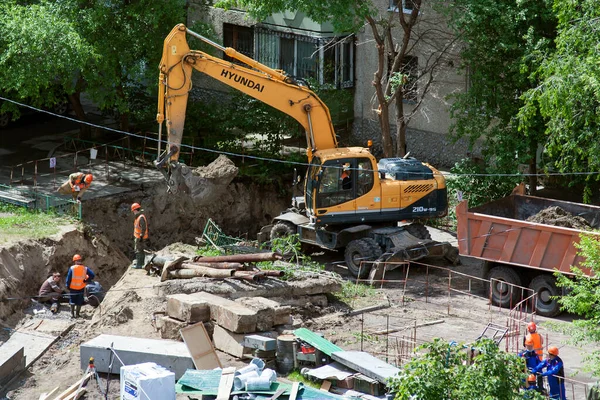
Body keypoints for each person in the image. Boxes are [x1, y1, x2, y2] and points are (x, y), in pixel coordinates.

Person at [66, 254, 95, 318]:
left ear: (75, 261)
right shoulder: (85, 268)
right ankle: (77, 314)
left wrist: (68, 285)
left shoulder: (72, 268)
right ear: (80, 261)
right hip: (81, 287)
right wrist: (86, 280)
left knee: (72, 300)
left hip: (72, 288)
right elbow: (92, 275)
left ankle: (72, 314)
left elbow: (68, 278)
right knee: (79, 300)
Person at [131, 203, 149, 269]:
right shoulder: (138, 216)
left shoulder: (140, 218)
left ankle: (139, 264)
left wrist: (141, 236)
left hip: (140, 238)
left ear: (135, 210)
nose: (133, 212)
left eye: (133, 211)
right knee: (140, 250)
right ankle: (141, 263)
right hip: (138, 237)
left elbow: (143, 228)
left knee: (139, 250)